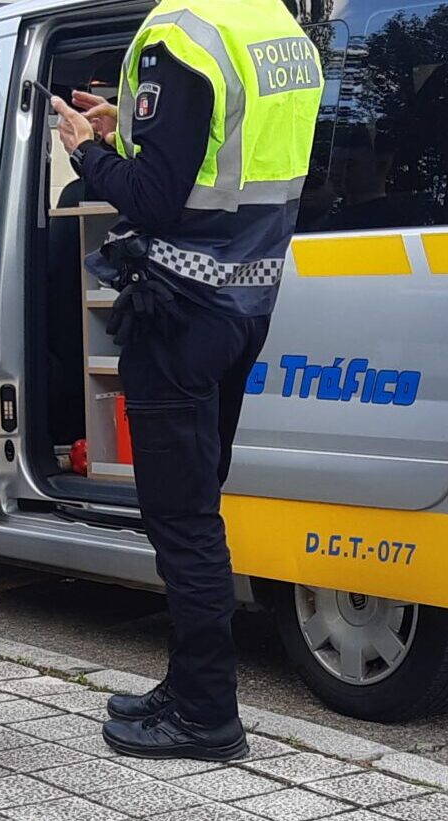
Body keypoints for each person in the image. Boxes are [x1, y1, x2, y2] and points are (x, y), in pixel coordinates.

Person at [52, 0, 322, 761]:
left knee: (182, 519)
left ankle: (206, 714)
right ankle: (188, 685)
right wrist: (128, 132)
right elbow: (223, 158)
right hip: (243, 300)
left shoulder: (183, 34)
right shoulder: (280, 32)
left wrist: (87, 153)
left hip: (178, 307)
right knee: (197, 505)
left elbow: (153, 198)